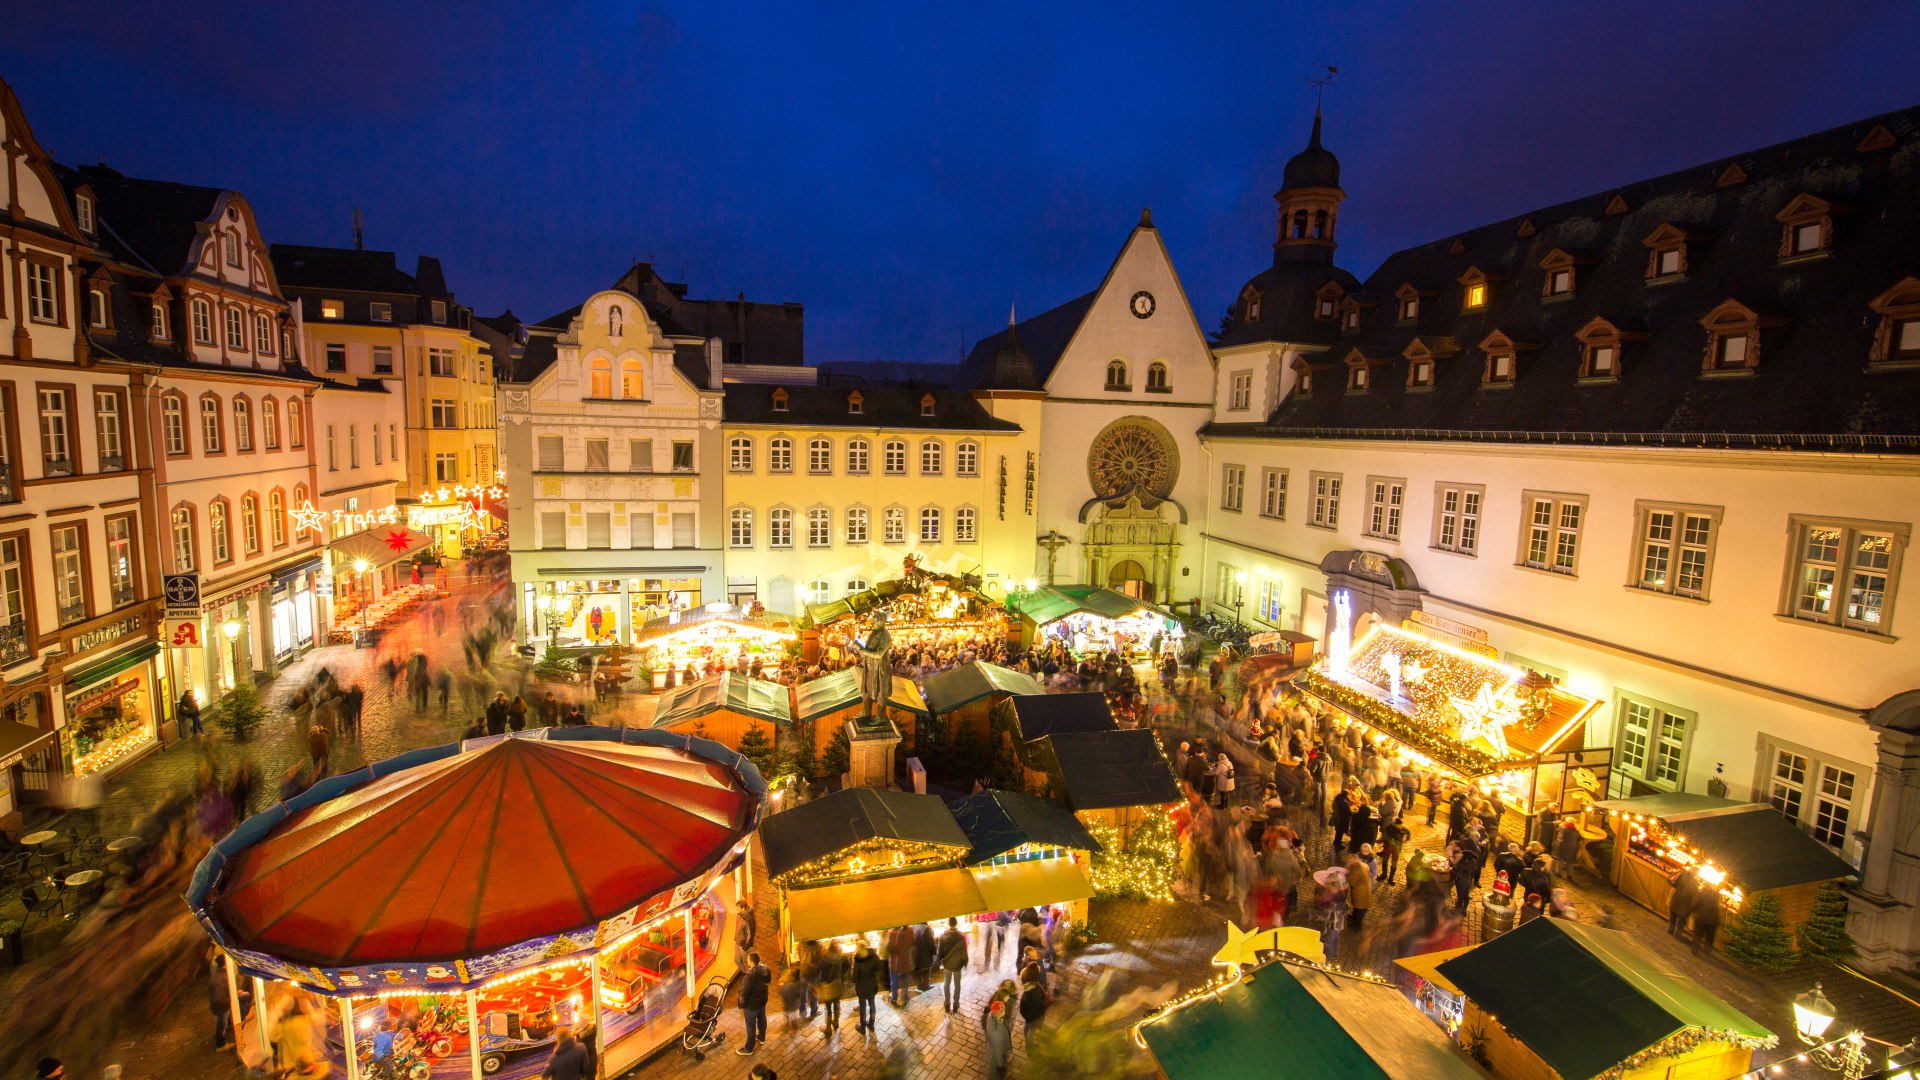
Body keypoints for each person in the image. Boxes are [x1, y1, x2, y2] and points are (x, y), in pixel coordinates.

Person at [735, 952, 770, 1055]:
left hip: (751, 1005)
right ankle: (762, 1037)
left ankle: (749, 1048)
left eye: (748, 959)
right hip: (762, 1001)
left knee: (750, 1026)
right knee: (762, 1018)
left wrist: (741, 1004)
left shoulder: (749, 977)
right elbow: (768, 982)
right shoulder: (766, 969)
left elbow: (744, 992)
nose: (747, 961)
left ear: (752, 961)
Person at [851, 941, 884, 1034]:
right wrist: (874, 974)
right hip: (872, 985)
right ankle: (871, 1023)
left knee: (862, 1007)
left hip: (861, 988)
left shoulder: (857, 961)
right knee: (872, 1004)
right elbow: (880, 967)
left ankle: (862, 1027)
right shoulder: (873, 956)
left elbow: (854, 979)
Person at [937, 917, 968, 1013]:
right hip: (958, 964)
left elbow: (939, 952)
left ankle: (947, 1004)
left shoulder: (943, 936)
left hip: (947, 965)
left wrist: (938, 963)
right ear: (956, 924)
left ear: (948, 924)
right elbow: (963, 952)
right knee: (957, 984)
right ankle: (955, 1004)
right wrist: (965, 962)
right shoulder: (961, 936)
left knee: (947, 984)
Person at [816, 943, 847, 1031]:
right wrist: (840, 974)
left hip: (827, 986)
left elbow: (819, 971)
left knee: (828, 1007)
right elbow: (846, 966)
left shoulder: (823, 959)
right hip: (837, 984)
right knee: (837, 1003)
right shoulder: (841, 957)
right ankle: (836, 1022)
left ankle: (828, 1028)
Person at [981, 998, 1014, 1080]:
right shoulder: (997, 1033)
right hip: (996, 1054)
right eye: (1003, 1010)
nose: (1005, 1012)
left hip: (993, 1047)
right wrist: (1000, 1065)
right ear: (998, 1013)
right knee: (994, 1072)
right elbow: (998, 1051)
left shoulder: (991, 1015)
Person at [208, 953, 233, 1050]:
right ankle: (220, 1045)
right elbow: (219, 998)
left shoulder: (219, 972)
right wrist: (231, 1000)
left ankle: (221, 1039)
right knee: (221, 1025)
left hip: (219, 1006)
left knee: (222, 1023)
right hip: (220, 1008)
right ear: (225, 964)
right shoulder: (218, 978)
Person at [886, 923, 915, 1006]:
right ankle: (904, 998)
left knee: (894, 980)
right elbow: (913, 942)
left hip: (894, 963)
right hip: (905, 960)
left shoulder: (891, 933)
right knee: (905, 980)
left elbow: (888, 948)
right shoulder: (909, 930)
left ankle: (894, 998)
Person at [1691, 886, 1722, 956]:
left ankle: (1695, 949)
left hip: (1700, 918)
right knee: (1709, 937)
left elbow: (1694, 903)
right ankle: (1707, 950)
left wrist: (1693, 910)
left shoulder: (1701, 894)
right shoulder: (1716, 896)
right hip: (1712, 921)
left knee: (1697, 934)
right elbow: (1717, 908)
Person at [1669, 867, 1699, 938]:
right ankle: (1677, 933)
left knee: (1673, 917)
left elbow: (1675, 884)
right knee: (1681, 921)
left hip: (1676, 900)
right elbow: (1694, 896)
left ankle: (1671, 929)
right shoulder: (1695, 884)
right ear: (1695, 874)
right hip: (1685, 905)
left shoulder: (1682, 876)